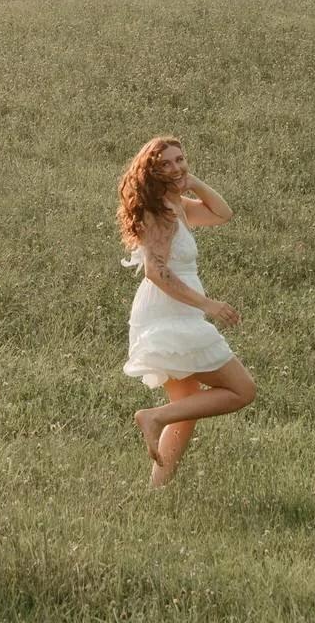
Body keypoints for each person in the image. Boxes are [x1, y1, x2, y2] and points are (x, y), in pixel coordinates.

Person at [118, 135, 256, 487]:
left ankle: (156, 490)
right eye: (165, 164)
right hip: (169, 312)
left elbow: (222, 214)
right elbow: (156, 270)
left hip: (175, 311)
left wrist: (191, 181)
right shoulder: (161, 213)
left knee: (187, 411)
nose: (176, 167)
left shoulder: (176, 204)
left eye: (180, 159)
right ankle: (152, 417)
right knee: (242, 390)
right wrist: (209, 304)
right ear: (152, 171)